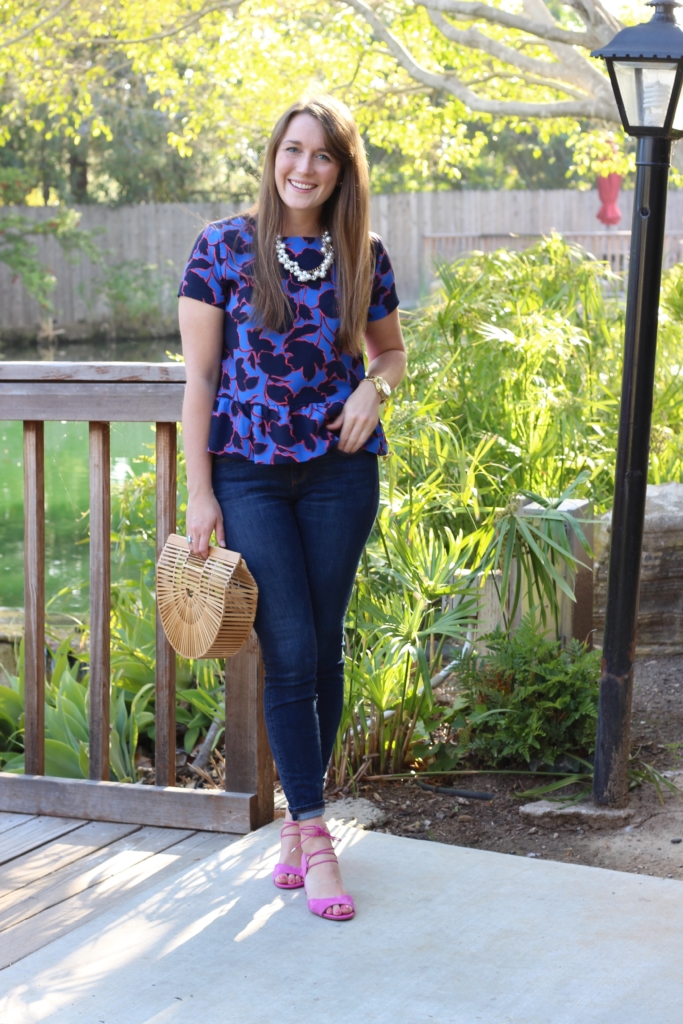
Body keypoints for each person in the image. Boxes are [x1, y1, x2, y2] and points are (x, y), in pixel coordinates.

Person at [178, 94, 406, 921]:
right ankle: (313, 836)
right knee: (291, 646)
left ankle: (294, 824)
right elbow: (200, 380)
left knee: (326, 647)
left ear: (341, 171)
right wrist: (201, 493)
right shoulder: (222, 248)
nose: (303, 167)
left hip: (341, 475)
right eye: (293, 150)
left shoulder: (361, 252)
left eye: (323, 156)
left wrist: (372, 393)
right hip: (248, 476)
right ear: (274, 154)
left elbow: (390, 351)